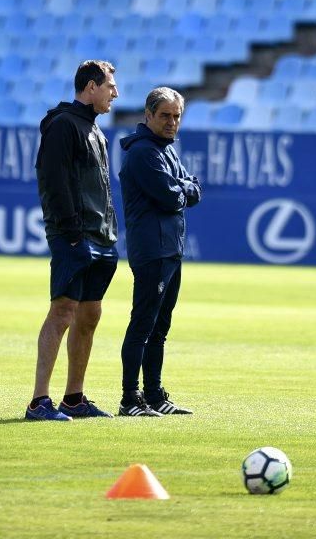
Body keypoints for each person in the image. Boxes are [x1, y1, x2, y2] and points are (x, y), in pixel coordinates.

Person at [26, 60, 119, 421]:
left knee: (90, 314)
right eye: (110, 85)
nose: (115, 92)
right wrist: (71, 232)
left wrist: (107, 230)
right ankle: (38, 401)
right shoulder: (63, 126)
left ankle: (74, 398)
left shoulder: (95, 130)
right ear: (91, 87)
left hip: (102, 235)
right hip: (75, 237)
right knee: (63, 311)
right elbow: (52, 182)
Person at [117, 87, 202, 417]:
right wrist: (184, 189)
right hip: (153, 249)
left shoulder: (165, 149)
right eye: (165, 115)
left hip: (169, 248)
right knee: (143, 324)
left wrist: (183, 188)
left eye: (176, 116)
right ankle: (129, 399)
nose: (171, 122)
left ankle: (154, 394)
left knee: (159, 328)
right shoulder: (143, 153)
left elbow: (192, 188)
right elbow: (173, 195)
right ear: (148, 115)